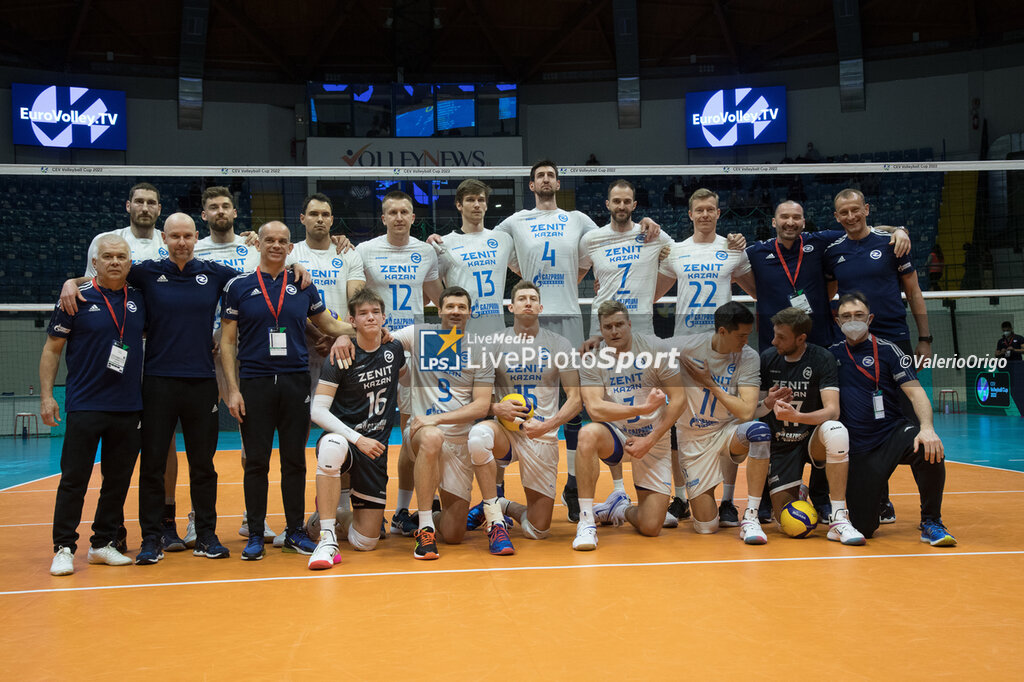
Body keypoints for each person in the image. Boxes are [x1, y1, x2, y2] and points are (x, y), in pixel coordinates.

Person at [491, 160, 661, 522]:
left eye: (552, 175)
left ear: (557, 181)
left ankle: (572, 482)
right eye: (540, 176)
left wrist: (647, 226)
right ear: (532, 184)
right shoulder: (514, 221)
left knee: (576, 397)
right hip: (530, 312)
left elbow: (601, 251)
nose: (547, 180)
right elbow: (490, 248)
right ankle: (497, 494)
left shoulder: (579, 219)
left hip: (568, 313)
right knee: (508, 386)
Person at [220, 221, 356, 561]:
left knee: (294, 461)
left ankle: (295, 531)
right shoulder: (239, 286)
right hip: (254, 382)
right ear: (259, 243)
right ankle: (255, 533)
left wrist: (367, 328)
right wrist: (232, 390)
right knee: (256, 462)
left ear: (290, 247)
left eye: (283, 241)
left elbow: (328, 325)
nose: (277, 246)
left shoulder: (302, 285)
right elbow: (226, 341)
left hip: (296, 381)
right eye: (270, 240)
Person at [41, 235, 146, 576]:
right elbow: (52, 349)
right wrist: (46, 396)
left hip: (128, 406)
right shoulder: (76, 298)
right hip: (85, 403)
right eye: (108, 257)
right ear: (95, 263)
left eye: (121, 256)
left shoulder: (140, 299)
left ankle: (102, 543)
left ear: (130, 263)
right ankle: (63, 547)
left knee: (117, 481)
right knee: (75, 479)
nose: (115, 261)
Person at [825, 188, 931, 524]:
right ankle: (880, 499)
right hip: (856, 345)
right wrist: (844, 326)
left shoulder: (891, 243)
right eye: (844, 212)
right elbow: (830, 298)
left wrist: (925, 338)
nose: (851, 217)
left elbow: (913, 291)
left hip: (893, 338)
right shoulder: (833, 252)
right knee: (862, 423)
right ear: (837, 216)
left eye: (856, 210)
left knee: (909, 424)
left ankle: (928, 512)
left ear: (866, 209)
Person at [655, 188, 757, 527]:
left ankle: (728, 499)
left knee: (728, 419)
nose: (704, 214)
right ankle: (681, 496)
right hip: (685, 347)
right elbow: (652, 291)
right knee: (678, 421)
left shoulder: (733, 250)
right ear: (690, 214)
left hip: (724, 346)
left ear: (718, 212)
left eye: (710, 209)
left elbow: (758, 288)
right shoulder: (675, 252)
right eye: (699, 209)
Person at [577, 179, 674, 524]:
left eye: (627, 201)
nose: (621, 206)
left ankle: (654, 490)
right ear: (607, 204)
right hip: (603, 333)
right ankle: (618, 490)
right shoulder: (591, 239)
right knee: (607, 406)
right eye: (616, 201)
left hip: (642, 331)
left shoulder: (654, 234)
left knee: (651, 408)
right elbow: (575, 273)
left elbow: (676, 265)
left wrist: (652, 296)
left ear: (635, 205)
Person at [829, 293, 956, 545]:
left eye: (859, 316)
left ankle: (931, 521)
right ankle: (875, 501)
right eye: (846, 316)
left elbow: (915, 392)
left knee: (929, 448)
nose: (853, 321)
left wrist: (927, 427)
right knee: (864, 528)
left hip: (892, 434)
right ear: (837, 321)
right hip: (858, 448)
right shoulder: (830, 355)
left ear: (870, 318)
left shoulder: (889, 351)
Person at [466, 281, 581, 547]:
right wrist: (497, 408)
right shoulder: (493, 343)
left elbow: (576, 399)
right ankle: (494, 518)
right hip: (506, 432)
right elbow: (478, 396)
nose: (527, 302)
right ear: (511, 307)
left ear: (540, 307)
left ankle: (504, 505)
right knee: (478, 436)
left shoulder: (559, 344)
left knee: (538, 530)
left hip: (542, 435)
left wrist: (548, 424)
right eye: (521, 299)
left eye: (532, 299)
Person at [355, 191, 442, 538]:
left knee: (411, 434)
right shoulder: (365, 251)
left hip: (414, 347)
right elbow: (357, 298)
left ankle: (405, 509)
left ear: (413, 216)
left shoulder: (425, 251)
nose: (399, 217)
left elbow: (439, 295)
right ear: (383, 218)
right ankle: (353, 501)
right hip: (377, 346)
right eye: (392, 212)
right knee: (367, 428)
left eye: (405, 211)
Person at [390, 286, 497, 559]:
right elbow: (381, 339)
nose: (456, 312)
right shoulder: (419, 334)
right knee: (432, 436)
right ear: (439, 310)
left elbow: (482, 405)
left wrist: (437, 417)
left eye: (462, 307)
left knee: (454, 533)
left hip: (459, 440)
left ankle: (429, 517)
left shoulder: (479, 349)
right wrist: (345, 338)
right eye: (450, 306)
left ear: (470, 312)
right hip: (422, 433)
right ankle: (424, 528)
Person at [573, 301, 686, 550]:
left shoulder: (656, 348)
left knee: (651, 526)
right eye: (608, 327)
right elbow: (594, 408)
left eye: (619, 325)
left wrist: (651, 438)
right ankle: (586, 520)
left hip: (652, 438)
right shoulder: (592, 359)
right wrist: (641, 409)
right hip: (617, 435)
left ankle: (620, 508)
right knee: (587, 433)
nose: (614, 331)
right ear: (600, 330)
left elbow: (679, 399)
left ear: (629, 324)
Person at [306, 288, 405, 569]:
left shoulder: (394, 348)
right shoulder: (342, 354)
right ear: (353, 320)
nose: (370, 317)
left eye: (375, 312)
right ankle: (326, 538)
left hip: (376, 450)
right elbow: (318, 411)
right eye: (363, 313)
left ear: (384, 317)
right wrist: (357, 438)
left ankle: (325, 519)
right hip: (350, 440)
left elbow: (405, 371)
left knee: (366, 542)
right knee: (332, 447)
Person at [659, 302, 768, 540]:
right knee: (707, 527)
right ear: (722, 332)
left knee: (759, 431)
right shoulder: (685, 347)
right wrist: (598, 343)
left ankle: (751, 515)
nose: (745, 341)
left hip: (727, 431)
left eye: (748, 335)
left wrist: (709, 382)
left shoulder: (748, 357)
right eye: (740, 335)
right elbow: (640, 346)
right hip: (693, 437)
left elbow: (747, 411)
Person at [758, 307, 865, 545]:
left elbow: (832, 410)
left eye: (781, 337)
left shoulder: (821, 359)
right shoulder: (767, 358)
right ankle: (799, 490)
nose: (774, 341)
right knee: (786, 520)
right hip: (782, 443)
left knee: (836, 430)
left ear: (801, 338)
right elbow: (755, 409)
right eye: (774, 334)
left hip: (811, 438)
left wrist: (798, 416)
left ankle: (838, 518)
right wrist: (768, 402)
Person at [430, 179, 517, 338]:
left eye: (481, 200)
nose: (476, 204)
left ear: (486, 205)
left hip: (496, 332)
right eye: (470, 200)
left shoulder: (503, 240)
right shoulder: (443, 244)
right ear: (459, 205)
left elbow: (525, 269)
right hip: (459, 333)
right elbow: (430, 286)